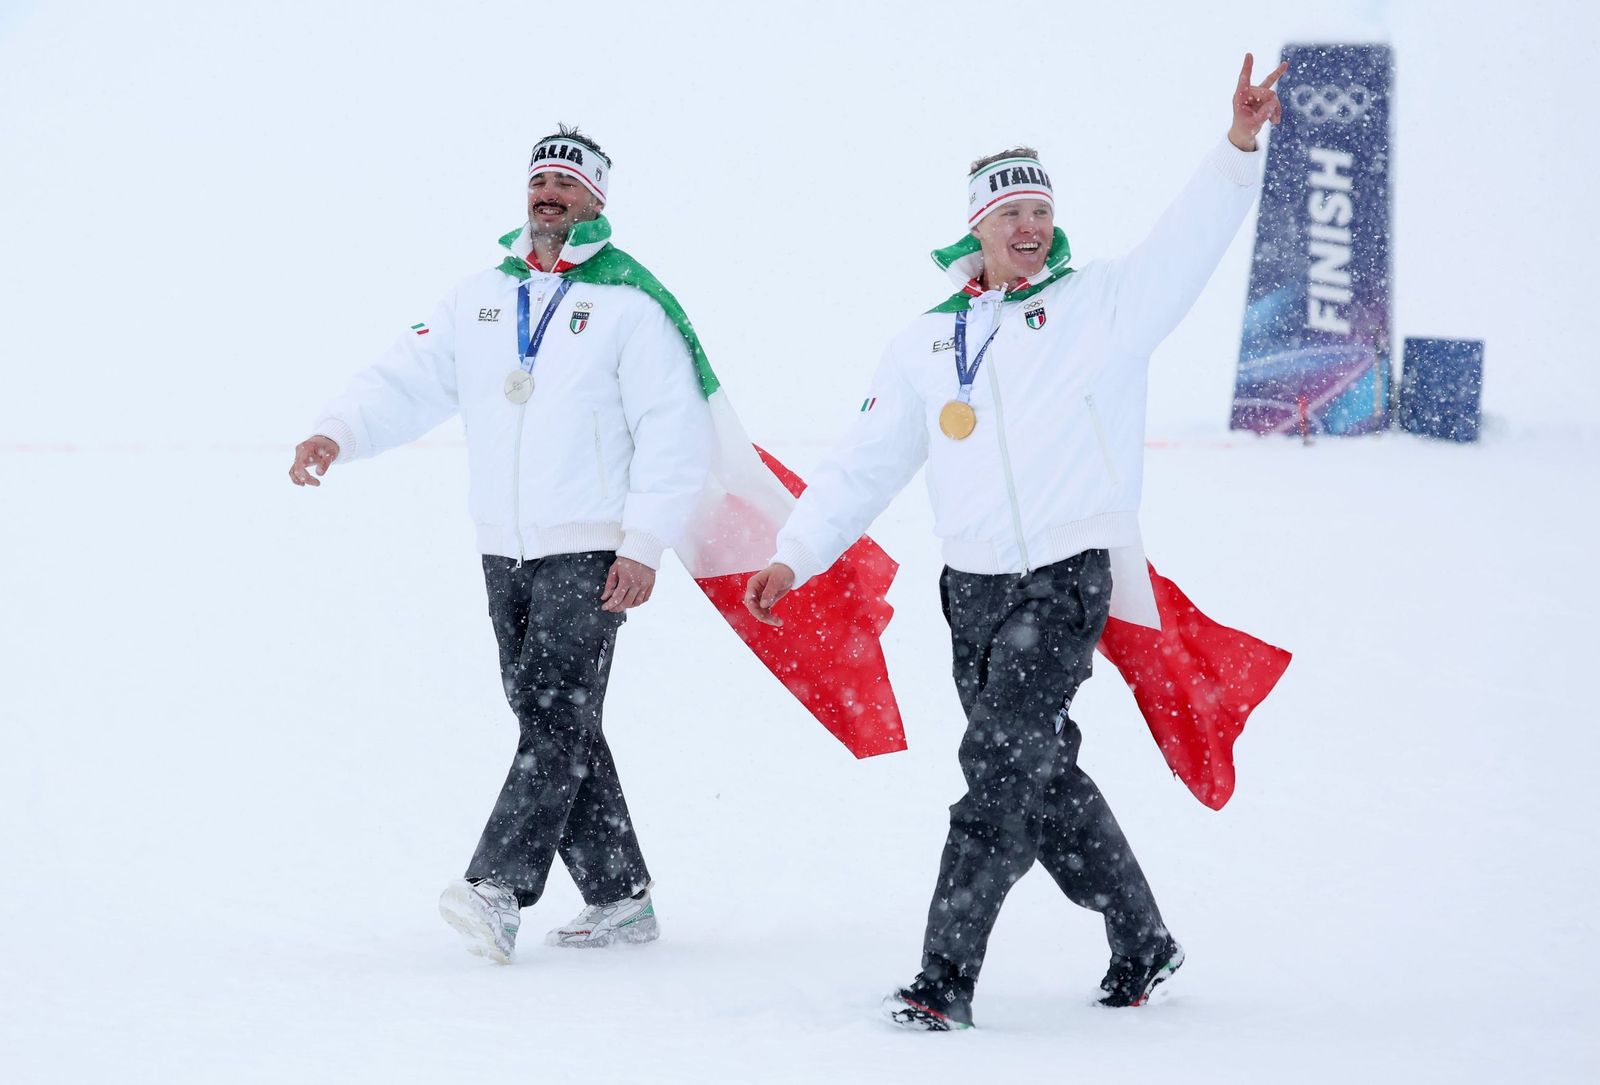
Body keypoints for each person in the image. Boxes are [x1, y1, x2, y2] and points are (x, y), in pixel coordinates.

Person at [742, 55, 1287, 1029]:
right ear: (977, 228)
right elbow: (865, 462)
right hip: (972, 591)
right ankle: (1143, 936)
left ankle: (941, 980)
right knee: (1040, 774)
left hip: (1065, 580)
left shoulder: (1102, 304)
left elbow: (1185, 245)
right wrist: (796, 550)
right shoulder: (925, 342)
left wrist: (1237, 147)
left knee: (995, 772)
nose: (1029, 226)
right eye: (1010, 214)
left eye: (1040, 210)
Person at [289, 125, 713, 963]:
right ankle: (620, 894)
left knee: (554, 713)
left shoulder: (629, 304)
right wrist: (341, 429)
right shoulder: (480, 297)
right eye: (539, 182)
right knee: (554, 718)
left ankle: (498, 887)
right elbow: (409, 378)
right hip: (503, 547)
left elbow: (673, 429)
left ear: (596, 199)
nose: (548, 195)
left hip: (592, 547)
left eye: (567, 184)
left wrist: (644, 541)